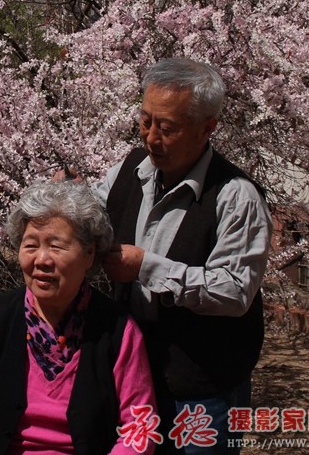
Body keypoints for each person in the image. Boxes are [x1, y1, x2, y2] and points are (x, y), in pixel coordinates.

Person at [91, 58, 273, 454]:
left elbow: (234, 291)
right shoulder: (129, 172)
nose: (152, 138)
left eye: (167, 128)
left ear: (208, 127)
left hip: (203, 391)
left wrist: (146, 268)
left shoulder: (235, 196)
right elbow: (90, 213)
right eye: (145, 121)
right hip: (134, 377)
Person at [0, 181, 158, 455]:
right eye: (30, 245)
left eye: (56, 247)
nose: (41, 259)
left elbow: (139, 425)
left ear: (89, 253)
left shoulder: (118, 331)